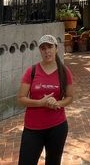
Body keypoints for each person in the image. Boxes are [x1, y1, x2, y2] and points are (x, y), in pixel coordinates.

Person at [17, 35, 75, 165]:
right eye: (43, 48)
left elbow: (70, 97)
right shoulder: (31, 71)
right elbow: (21, 98)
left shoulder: (64, 72)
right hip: (33, 128)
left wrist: (57, 103)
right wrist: (40, 103)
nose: (47, 51)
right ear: (40, 51)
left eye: (50, 47)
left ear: (56, 48)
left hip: (57, 127)